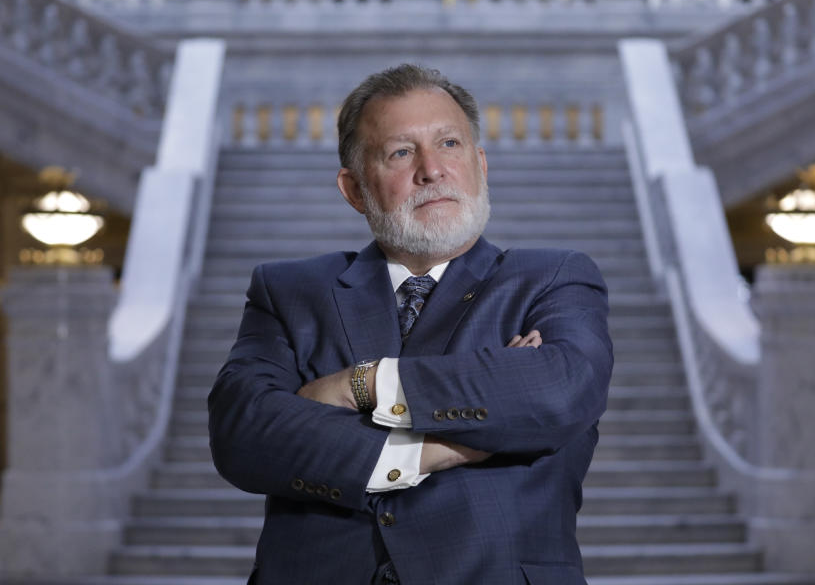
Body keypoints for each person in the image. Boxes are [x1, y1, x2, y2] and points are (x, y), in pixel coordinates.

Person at [208, 64, 614, 585]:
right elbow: (243, 434)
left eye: (449, 143)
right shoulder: (289, 291)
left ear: (481, 165)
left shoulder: (552, 278)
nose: (432, 170)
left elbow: (558, 390)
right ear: (354, 189)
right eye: (401, 152)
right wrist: (437, 448)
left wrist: (363, 384)